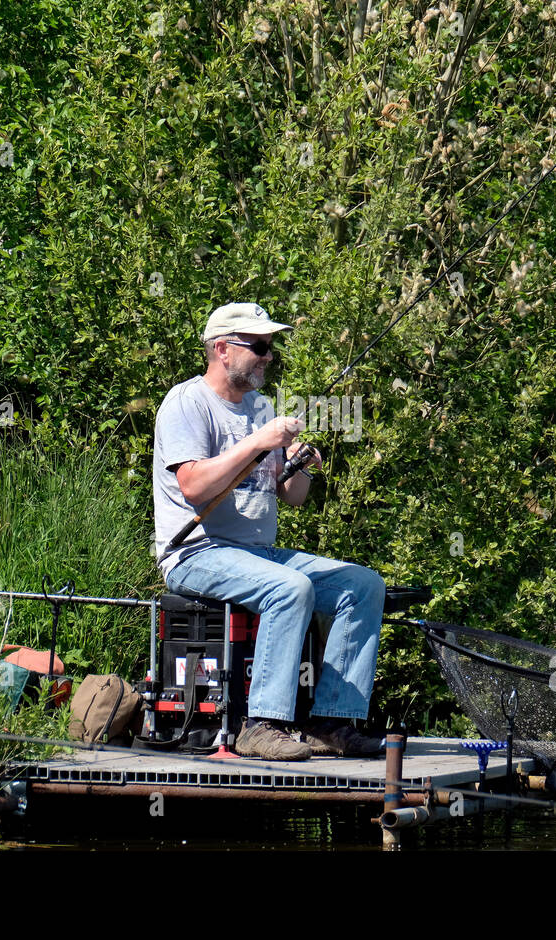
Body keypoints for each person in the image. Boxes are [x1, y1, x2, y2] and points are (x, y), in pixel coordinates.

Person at [153, 302, 385, 760]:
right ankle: (262, 725)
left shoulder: (262, 408)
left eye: (270, 347)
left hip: (257, 555)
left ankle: (330, 723)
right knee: (290, 589)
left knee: (363, 585)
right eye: (258, 346)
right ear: (222, 349)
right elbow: (194, 486)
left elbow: (290, 495)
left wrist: (301, 465)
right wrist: (258, 442)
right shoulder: (187, 403)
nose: (268, 356)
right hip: (194, 554)